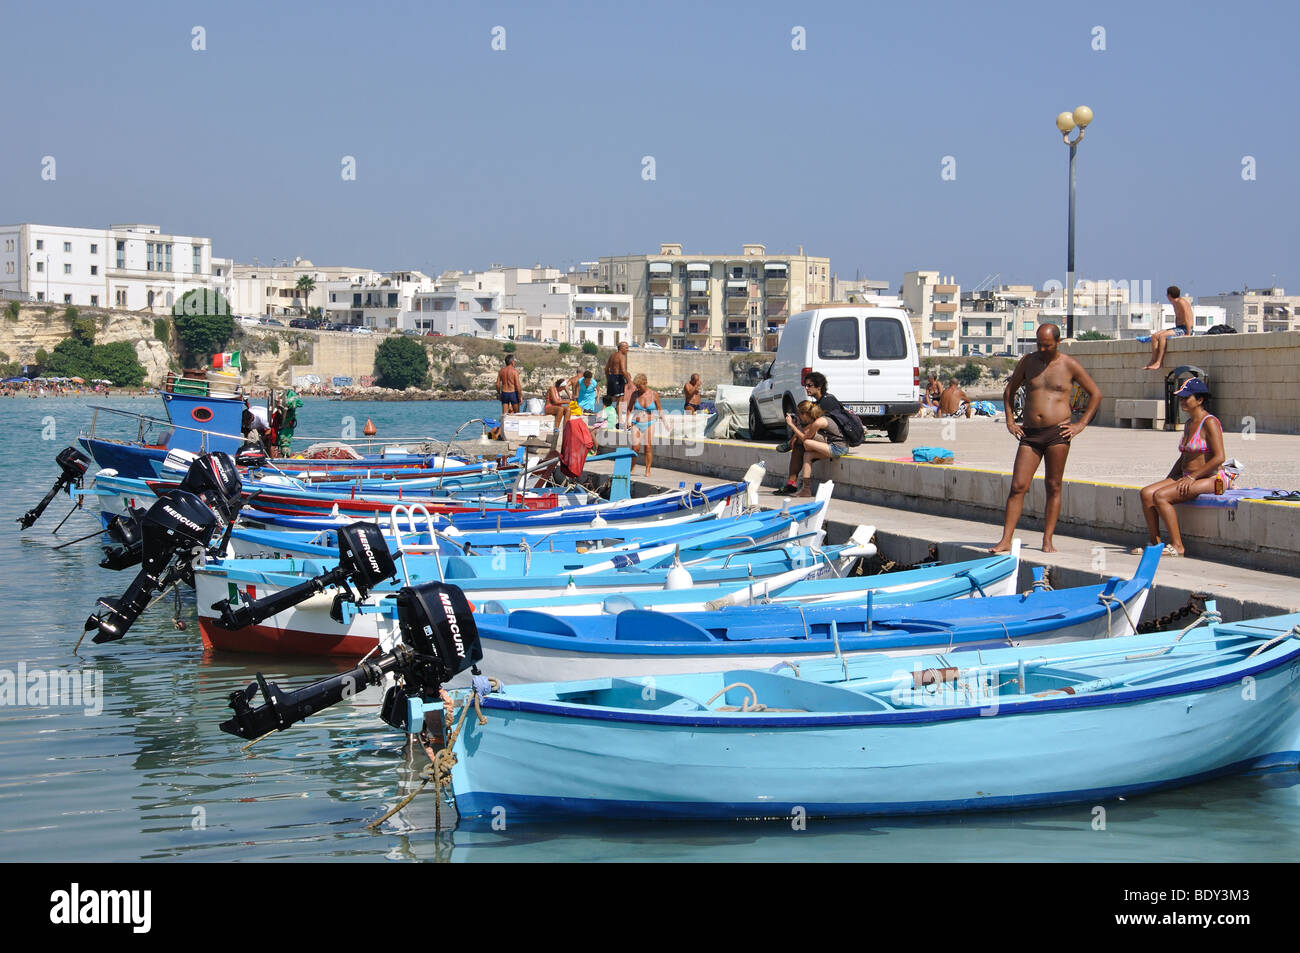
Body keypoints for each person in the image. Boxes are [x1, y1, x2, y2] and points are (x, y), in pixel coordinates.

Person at [990, 323, 1101, 554]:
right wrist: (1010, 421)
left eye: (1047, 345)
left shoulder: (1069, 365)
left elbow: (1095, 394)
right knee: (1018, 485)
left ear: (1058, 343)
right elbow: (1009, 391)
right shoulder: (1028, 362)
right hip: (1030, 434)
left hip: (1057, 434)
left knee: (1053, 485)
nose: (1042, 348)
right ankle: (1005, 539)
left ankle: (1047, 539)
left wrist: (1080, 425)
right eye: (1039, 344)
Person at [1136, 378, 1230, 556]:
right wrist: (1170, 478)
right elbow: (1184, 456)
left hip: (1211, 478)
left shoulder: (1209, 422)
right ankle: (1155, 543)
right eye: (1181, 398)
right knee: (1146, 493)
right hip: (1187, 475)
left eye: (1186, 398)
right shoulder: (1188, 424)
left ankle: (1178, 546)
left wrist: (1193, 477)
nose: (1182, 402)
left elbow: (1219, 457)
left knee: (1161, 496)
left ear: (1200, 400)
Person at [775, 371, 846, 495]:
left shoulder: (827, 403)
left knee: (802, 443)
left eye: (809, 385)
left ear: (819, 387)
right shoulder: (819, 402)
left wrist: (793, 428)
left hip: (835, 441)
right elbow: (809, 426)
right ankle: (797, 485)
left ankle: (792, 483)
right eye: (805, 385)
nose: (806, 388)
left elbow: (811, 431)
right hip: (827, 439)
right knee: (802, 446)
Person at [781, 400, 849, 497]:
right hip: (835, 447)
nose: (799, 417)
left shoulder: (819, 422)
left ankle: (799, 485)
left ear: (804, 414)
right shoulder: (819, 419)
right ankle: (806, 489)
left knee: (806, 442)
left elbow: (805, 438)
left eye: (799, 414)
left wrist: (792, 425)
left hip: (838, 448)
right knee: (807, 455)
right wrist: (798, 426)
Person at [1144, 285, 1194, 370]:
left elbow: (1187, 317)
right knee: (1155, 336)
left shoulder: (1181, 302)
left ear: (1169, 295)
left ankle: (1159, 362)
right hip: (1178, 328)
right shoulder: (1175, 303)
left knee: (1162, 336)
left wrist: (1188, 333)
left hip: (1185, 329)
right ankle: (1153, 360)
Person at [627, 373, 669, 475]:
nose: (638, 388)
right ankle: (632, 468)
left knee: (648, 447)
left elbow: (659, 409)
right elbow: (629, 408)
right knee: (635, 447)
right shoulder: (635, 394)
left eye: (639, 386)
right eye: (636, 386)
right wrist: (627, 421)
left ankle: (647, 470)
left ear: (645, 383)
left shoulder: (654, 394)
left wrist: (665, 422)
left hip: (650, 422)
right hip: (636, 423)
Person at [605, 341, 630, 424]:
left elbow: (606, 369)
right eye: (626, 348)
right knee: (620, 400)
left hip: (611, 377)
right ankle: (620, 420)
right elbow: (623, 370)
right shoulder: (622, 356)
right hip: (618, 378)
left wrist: (608, 378)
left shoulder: (612, 356)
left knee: (609, 399)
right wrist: (630, 382)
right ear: (621, 348)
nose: (628, 350)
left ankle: (604, 417)